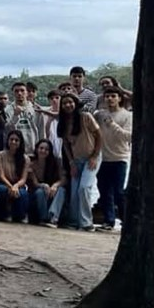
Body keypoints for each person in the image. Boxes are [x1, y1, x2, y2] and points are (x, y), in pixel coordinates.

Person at [58, 93, 103, 231]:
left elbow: (99, 136)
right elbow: (65, 144)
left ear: (76, 103)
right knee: (75, 190)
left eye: (70, 102)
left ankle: (86, 223)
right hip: (76, 160)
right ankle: (74, 221)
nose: (68, 105)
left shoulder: (86, 117)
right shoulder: (64, 122)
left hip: (91, 157)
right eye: (64, 103)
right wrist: (71, 162)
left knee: (84, 188)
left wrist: (95, 156)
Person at [94, 87, 132, 230]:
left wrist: (112, 125)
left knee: (118, 192)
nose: (110, 99)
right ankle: (109, 221)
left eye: (113, 96)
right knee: (104, 191)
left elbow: (128, 136)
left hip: (119, 158)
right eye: (107, 96)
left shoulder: (127, 115)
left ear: (119, 98)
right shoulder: (99, 114)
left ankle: (126, 221)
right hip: (102, 159)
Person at [0, 130, 30, 222]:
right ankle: (3, 214)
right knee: (2, 190)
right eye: (11, 139)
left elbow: (23, 179)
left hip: (18, 185)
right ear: (7, 141)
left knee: (23, 194)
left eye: (16, 140)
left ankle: (20, 216)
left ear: (20, 142)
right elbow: (1, 175)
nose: (13, 142)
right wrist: (10, 186)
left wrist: (16, 186)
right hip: (3, 183)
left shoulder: (25, 158)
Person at [28, 139, 67, 227]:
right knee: (40, 192)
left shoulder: (56, 162)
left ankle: (53, 218)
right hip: (39, 194)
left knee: (61, 190)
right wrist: (43, 185)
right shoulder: (32, 164)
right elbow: (35, 183)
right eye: (41, 148)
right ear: (37, 149)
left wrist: (55, 185)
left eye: (46, 149)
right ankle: (44, 218)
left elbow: (63, 179)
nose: (43, 151)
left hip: (52, 194)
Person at [3, 81, 40, 153]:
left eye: (22, 90)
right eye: (16, 91)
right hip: (15, 150)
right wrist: (15, 116)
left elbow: (41, 130)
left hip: (32, 149)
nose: (19, 93)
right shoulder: (7, 110)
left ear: (27, 92)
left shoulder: (36, 109)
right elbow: (7, 130)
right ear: (12, 93)